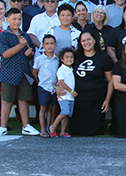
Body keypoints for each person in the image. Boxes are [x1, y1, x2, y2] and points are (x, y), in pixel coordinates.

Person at [0, 8, 39, 136]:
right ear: (7, 20)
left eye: (19, 19)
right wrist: (20, 46)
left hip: (24, 73)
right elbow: (5, 54)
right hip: (9, 73)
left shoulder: (25, 35)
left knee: (24, 99)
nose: (17, 22)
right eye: (14, 19)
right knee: (7, 100)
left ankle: (26, 125)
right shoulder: (3, 35)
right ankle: (2, 126)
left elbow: (31, 53)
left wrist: (30, 54)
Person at [69, 32, 113, 136]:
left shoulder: (103, 57)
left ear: (94, 40)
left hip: (96, 98)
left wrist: (107, 100)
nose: (86, 42)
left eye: (89, 39)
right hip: (78, 98)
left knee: (95, 132)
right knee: (76, 131)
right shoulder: (75, 57)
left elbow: (110, 80)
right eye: (83, 40)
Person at [32, 35, 59, 138]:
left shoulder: (57, 58)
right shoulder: (40, 59)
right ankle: (42, 128)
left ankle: (50, 127)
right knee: (43, 108)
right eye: (47, 44)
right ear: (43, 45)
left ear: (55, 45)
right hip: (44, 87)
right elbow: (34, 72)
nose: (49, 46)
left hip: (53, 87)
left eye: (51, 43)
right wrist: (39, 82)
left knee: (51, 108)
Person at [48, 47, 77, 138]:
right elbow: (61, 82)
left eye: (71, 57)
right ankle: (52, 127)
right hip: (64, 96)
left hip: (70, 97)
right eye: (67, 57)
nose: (69, 59)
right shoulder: (61, 69)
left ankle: (62, 131)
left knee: (67, 114)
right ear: (62, 59)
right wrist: (71, 91)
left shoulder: (71, 69)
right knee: (65, 112)